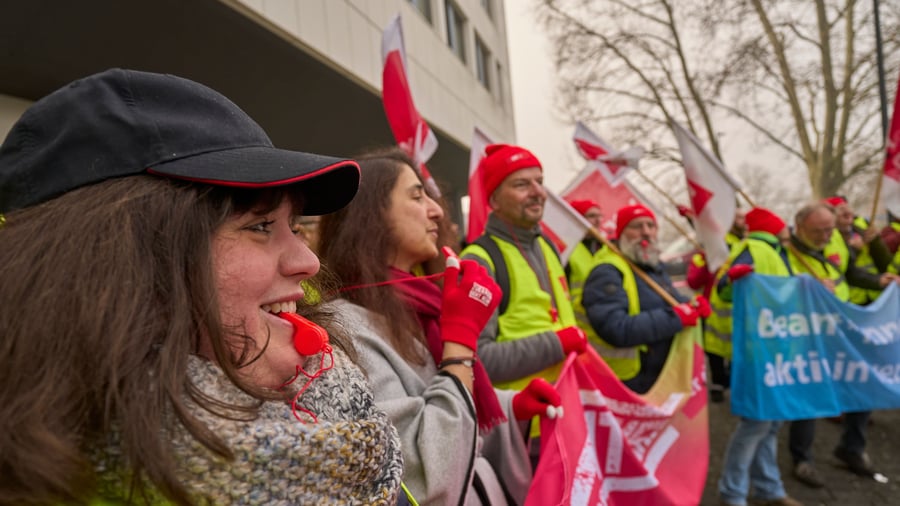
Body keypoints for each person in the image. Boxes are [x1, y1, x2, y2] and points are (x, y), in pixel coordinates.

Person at [0, 69, 405, 505]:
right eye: (260, 225)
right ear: (119, 265)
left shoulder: (335, 405)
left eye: (294, 224)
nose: (309, 262)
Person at [318, 147, 561, 505]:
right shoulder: (346, 328)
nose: (437, 210)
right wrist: (460, 344)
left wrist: (513, 409)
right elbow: (424, 471)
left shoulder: (418, 305)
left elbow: (454, 419)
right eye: (417, 197)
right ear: (371, 215)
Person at [786, 202, 898, 488]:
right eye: (818, 231)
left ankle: (852, 447)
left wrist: (878, 281)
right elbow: (778, 292)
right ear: (800, 227)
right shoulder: (785, 252)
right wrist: (804, 288)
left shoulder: (836, 238)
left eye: (829, 229)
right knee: (811, 392)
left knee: (862, 379)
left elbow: (848, 273)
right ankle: (802, 459)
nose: (826, 236)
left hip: (843, 325)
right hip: (810, 332)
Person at [460, 144, 586, 391]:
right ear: (494, 199)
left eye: (540, 181)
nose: (538, 192)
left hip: (566, 408)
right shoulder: (479, 261)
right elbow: (475, 359)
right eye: (522, 185)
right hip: (522, 422)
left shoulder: (547, 246)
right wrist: (556, 344)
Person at [713, 207, 802, 506]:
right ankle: (733, 493)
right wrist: (732, 281)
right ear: (775, 228)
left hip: (774, 349)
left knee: (771, 424)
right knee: (757, 424)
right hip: (758, 352)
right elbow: (724, 289)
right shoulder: (754, 248)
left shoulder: (773, 251)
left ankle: (769, 488)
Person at [581, 204, 708, 394]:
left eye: (651, 226)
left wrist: (691, 305)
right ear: (622, 233)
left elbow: (668, 300)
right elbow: (616, 328)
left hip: (659, 376)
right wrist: (676, 317)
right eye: (637, 226)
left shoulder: (652, 264)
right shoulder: (607, 271)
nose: (646, 232)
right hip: (627, 382)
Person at [685, 208, 746, 402]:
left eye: (743, 217)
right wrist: (706, 264)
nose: (741, 220)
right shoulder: (706, 252)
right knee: (713, 349)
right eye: (737, 217)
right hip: (711, 311)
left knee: (738, 349)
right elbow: (693, 282)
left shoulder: (743, 248)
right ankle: (718, 384)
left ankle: (735, 381)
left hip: (737, 308)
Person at [565, 199, 608, 346]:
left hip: (606, 321)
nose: (597, 221)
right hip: (579, 327)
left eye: (599, 216)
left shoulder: (606, 248)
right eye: (591, 216)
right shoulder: (567, 251)